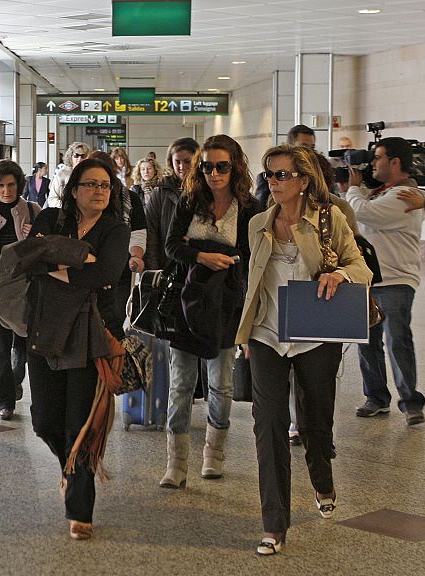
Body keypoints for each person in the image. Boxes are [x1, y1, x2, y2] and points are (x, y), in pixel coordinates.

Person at [237, 144, 371, 555]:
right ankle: (274, 525)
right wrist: (243, 336)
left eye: (282, 175)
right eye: (269, 175)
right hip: (266, 335)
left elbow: (361, 267)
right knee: (269, 426)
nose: (273, 183)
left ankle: (322, 478)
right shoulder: (258, 222)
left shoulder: (331, 218)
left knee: (314, 420)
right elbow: (253, 279)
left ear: (304, 180)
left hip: (315, 336)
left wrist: (340, 275)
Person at [26, 158, 130, 540]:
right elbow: (29, 261)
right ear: (73, 190)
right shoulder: (50, 219)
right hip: (46, 329)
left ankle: (80, 509)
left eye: (106, 185)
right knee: (44, 422)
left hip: (91, 334)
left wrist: (58, 263)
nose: (100, 191)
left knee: (81, 426)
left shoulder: (116, 229)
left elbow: (106, 274)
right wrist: (79, 262)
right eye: (92, 184)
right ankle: (69, 470)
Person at [159, 134, 260, 489]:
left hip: (227, 302)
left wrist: (207, 250)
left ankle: (214, 456)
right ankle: (176, 462)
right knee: (181, 384)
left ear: (235, 167)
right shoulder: (190, 200)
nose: (214, 174)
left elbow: (252, 257)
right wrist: (202, 255)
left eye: (222, 166)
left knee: (221, 384)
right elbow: (171, 246)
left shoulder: (250, 206)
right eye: (207, 167)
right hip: (189, 299)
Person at [346, 137, 425, 425]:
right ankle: (377, 397)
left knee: (397, 340)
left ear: (395, 162)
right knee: (367, 342)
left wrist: (353, 187)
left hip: (395, 279)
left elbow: (361, 213)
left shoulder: (404, 195)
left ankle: (411, 403)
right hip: (368, 279)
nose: (372, 164)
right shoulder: (382, 192)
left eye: (377, 158)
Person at [0, 160, 41, 420]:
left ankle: (15, 381)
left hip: (25, 291)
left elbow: (45, 250)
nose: (6, 190)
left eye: (11, 185)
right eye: (0, 185)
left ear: (18, 185)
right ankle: (5, 402)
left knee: (22, 347)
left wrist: (34, 236)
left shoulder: (33, 211)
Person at [87, 150, 146, 318]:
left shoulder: (130, 198)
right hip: (87, 269)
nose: (99, 186)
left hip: (120, 268)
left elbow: (138, 231)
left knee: (115, 317)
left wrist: (136, 256)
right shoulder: (78, 198)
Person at [255, 125, 316, 209]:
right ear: (290, 145)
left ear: (304, 181)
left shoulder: (319, 175)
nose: (309, 152)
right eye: (304, 146)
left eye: (312, 147)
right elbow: (259, 209)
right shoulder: (266, 180)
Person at [47, 142, 90, 208]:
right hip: (65, 212)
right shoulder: (62, 173)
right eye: (76, 155)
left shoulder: (91, 173)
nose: (79, 159)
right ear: (70, 156)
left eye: (83, 156)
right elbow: (52, 198)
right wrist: (67, 207)